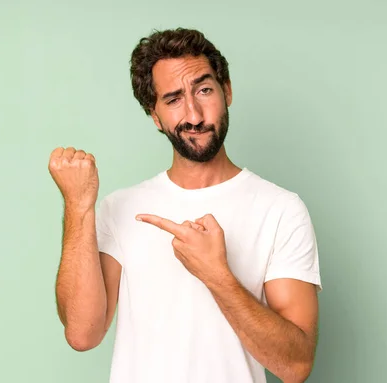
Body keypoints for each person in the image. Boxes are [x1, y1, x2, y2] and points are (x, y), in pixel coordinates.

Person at [48, 27, 322, 383]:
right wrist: (78, 205)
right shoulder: (119, 208)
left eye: (204, 90)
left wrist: (216, 275)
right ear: (155, 115)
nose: (193, 115)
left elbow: (296, 366)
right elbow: (83, 334)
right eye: (174, 99)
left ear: (227, 91)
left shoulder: (281, 210)